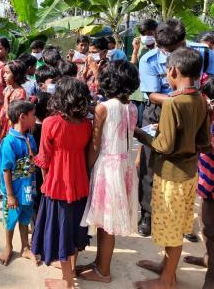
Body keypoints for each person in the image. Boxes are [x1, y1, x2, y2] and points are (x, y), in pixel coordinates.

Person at [133, 48, 210, 289]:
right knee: (173, 225)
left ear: (173, 71)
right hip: (189, 173)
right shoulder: (201, 99)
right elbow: (204, 142)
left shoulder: (172, 104)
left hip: (171, 176)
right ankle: (167, 267)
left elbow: (163, 145)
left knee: (172, 229)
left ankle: (167, 280)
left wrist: (141, 133)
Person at [78, 61, 140, 283]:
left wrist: (85, 169)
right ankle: (99, 263)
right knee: (107, 221)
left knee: (106, 223)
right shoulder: (131, 107)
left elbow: (96, 145)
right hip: (123, 167)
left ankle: (103, 271)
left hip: (108, 168)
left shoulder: (103, 108)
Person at [31, 77, 92, 289]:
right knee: (74, 228)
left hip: (57, 184)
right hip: (80, 181)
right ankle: (71, 270)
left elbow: (44, 160)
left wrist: (46, 183)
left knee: (61, 231)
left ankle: (67, 282)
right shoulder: (86, 124)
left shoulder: (50, 123)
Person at [137, 19, 186, 236]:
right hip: (156, 113)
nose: (171, 54)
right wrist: (184, 100)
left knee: (184, 163)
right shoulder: (148, 60)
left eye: (176, 49)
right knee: (150, 162)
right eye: (167, 51)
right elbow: (152, 94)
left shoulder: (198, 54)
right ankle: (147, 213)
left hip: (187, 114)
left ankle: (181, 216)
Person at [0, 100, 39, 266]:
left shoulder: (30, 138)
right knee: (10, 219)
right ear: (22, 117)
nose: (35, 119)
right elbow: (6, 170)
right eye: (32, 115)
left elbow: (34, 159)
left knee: (25, 218)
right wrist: (10, 195)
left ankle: (25, 247)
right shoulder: (9, 142)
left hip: (28, 189)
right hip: (13, 192)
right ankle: (8, 247)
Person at [183, 77, 214, 289]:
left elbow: (205, 145)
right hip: (206, 182)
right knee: (205, 225)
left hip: (212, 185)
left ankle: (211, 277)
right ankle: (208, 259)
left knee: (210, 228)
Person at [0, 60, 27, 171]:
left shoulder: (20, 92)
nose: (4, 75)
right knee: (3, 154)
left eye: (7, 73)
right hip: (4, 127)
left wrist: (6, 98)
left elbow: (11, 114)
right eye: (4, 72)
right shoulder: (9, 88)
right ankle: (3, 181)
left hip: (12, 129)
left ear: (16, 75)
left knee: (11, 155)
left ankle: (10, 183)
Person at [131, 19, 159, 128]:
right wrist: (135, 49)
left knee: (148, 126)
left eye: (150, 34)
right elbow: (133, 65)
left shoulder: (162, 49)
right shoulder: (141, 48)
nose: (146, 37)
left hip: (152, 94)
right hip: (138, 92)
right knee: (139, 124)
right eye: (143, 34)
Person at [32, 92, 52, 223]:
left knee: (35, 199)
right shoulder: (49, 127)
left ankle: (34, 226)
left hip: (33, 168)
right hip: (46, 168)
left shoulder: (30, 128)